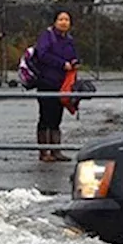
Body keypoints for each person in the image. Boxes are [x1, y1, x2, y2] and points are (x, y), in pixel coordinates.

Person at [33, 11, 80, 162]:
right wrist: (61, 64)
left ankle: (55, 150)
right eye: (61, 19)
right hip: (46, 82)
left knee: (56, 117)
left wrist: (74, 62)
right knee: (45, 116)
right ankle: (43, 152)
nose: (64, 22)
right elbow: (42, 55)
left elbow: (72, 55)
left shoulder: (69, 39)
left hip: (62, 84)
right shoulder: (47, 37)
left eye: (67, 19)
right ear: (55, 21)